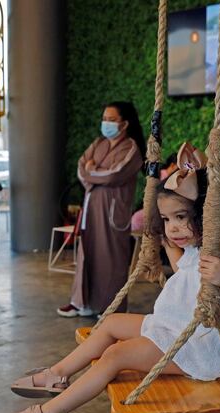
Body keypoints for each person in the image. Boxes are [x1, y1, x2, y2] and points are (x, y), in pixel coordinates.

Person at [4, 143, 220, 413]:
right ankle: (55, 374)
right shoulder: (195, 250)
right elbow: (185, 272)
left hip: (201, 348)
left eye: (181, 217)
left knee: (116, 355)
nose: (173, 228)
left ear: (209, 215)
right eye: (166, 219)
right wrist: (162, 244)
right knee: (110, 324)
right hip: (175, 328)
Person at [57, 101, 145, 318]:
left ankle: (111, 308)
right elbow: (81, 168)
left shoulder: (131, 148)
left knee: (111, 258)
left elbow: (116, 174)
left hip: (112, 212)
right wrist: (94, 174)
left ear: (124, 124)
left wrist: (92, 171)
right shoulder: (98, 143)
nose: (106, 123)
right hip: (91, 208)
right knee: (86, 253)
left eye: (111, 119)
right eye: (104, 118)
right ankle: (81, 302)